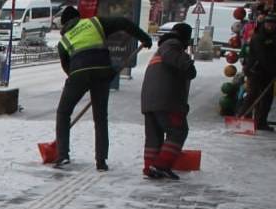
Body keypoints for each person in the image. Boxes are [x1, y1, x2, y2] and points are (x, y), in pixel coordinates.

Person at [52, 5, 151, 171]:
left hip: (78, 74)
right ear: (79, 17)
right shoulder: (95, 23)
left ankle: (62, 155)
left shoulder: (64, 41)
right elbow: (122, 22)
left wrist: (79, 79)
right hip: (103, 72)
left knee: (63, 113)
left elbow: (67, 68)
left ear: (64, 24)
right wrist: (144, 37)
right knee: (100, 117)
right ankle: (101, 161)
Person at [140, 22, 196, 180]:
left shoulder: (162, 47)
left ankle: (150, 167)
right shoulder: (172, 45)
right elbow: (177, 61)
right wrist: (188, 64)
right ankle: (161, 165)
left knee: (154, 135)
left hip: (149, 100)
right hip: (166, 100)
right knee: (178, 131)